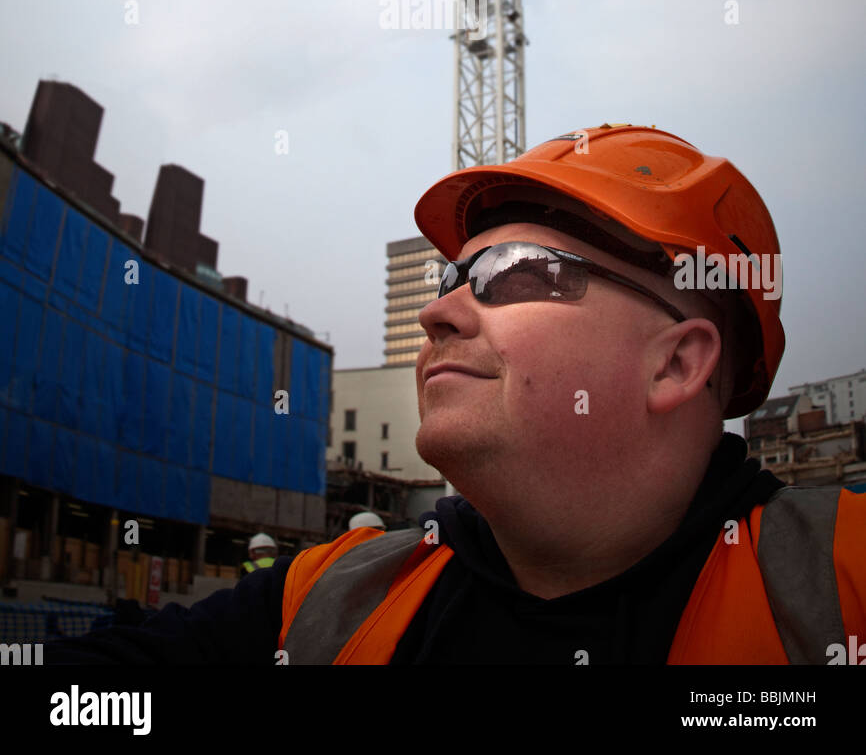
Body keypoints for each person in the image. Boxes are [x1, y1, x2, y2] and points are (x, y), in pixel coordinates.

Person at [43, 124, 866, 665]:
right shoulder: (331, 601)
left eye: (508, 274)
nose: (438, 309)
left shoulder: (835, 591)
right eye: (449, 275)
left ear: (676, 365)